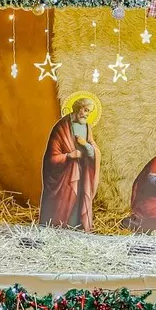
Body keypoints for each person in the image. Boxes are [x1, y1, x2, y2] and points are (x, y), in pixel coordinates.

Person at [38, 95, 100, 230]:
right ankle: (58, 226)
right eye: (85, 110)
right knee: (65, 200)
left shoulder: (87, 127)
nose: (87, 114)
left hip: (82, 173)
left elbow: (93, 151)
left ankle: (76, 226)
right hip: (64, 177)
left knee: (79, 201)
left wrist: (86, 145)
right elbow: (51, 158)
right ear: (78, 108)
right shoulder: (61, 127)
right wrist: (69, 156)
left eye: (89, 111)